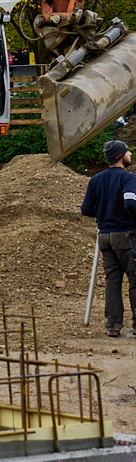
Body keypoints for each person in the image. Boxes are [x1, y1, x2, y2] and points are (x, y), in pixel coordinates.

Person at [81, 139, 136, 336]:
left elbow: (86, 209)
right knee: (134, 278)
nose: (130, 153)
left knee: (113, 280)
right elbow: (130, 204)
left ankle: (113, 325)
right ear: (120, 156)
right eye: (127, 151)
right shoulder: (128, 179)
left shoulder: (95, 180)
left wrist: (105, 214)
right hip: (125, 235)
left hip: (104, 236)